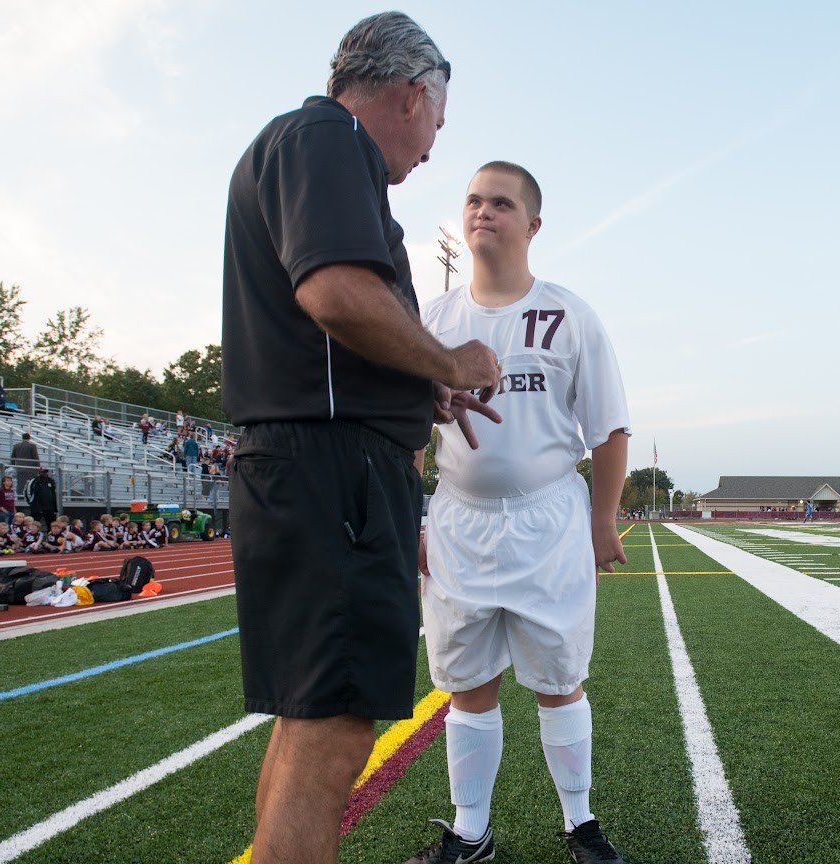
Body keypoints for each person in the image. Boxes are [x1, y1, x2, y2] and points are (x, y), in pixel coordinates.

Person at [220, 13, 499, 864]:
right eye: (437, 125)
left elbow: (343, 324)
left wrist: (424, 380)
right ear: (414, 95)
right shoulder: (329, 137)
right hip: (331, 468)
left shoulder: (303, 142)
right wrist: (449, 353)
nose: (430, 148)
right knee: (337, 726)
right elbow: (338, 293)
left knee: (313, 718)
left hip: (309, 463)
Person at [411, 162, 632, 864]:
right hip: (458, 521)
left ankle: (581, 824)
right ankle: (470, 832)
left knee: (560, 680)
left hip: (549, 520)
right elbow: (408, 428)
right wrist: (413, 519)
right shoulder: (432, 321)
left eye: (500, 203)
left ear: (532, 224)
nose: (483, 212)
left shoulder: (569, 315)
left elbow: (609, 431)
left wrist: (602, 522)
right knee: (467, 684)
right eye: (473, 200)